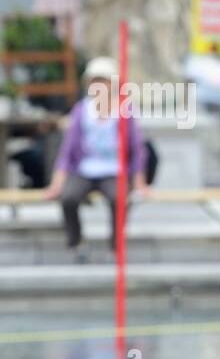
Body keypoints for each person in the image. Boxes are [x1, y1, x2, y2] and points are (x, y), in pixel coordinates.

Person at [42, 57, 149, 253]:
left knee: (119, 198)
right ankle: (75, 240)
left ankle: (116, 243)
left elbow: (137, 148)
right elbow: (68, 151)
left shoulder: (124, 110)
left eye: (103, 81)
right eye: (94, 81)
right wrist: (56, 184)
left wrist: (139, 182)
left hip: (114, 169)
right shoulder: (82, 110)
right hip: (85, 168)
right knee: (68, 197)